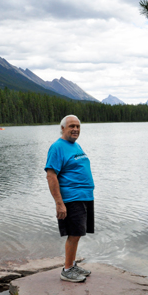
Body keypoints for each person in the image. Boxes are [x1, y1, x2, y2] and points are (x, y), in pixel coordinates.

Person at [45, 115, 95, 282]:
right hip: (71, 198)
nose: (75, 129)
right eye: (72, 126)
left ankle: (72, 265)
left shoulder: (75, 145)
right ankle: (67, 270)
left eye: (78, 126)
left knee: (78, 233)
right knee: (73, 234)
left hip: (84, 197)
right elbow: (51, 176)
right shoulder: (57, 147)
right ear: (63, 128)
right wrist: (59, 203)